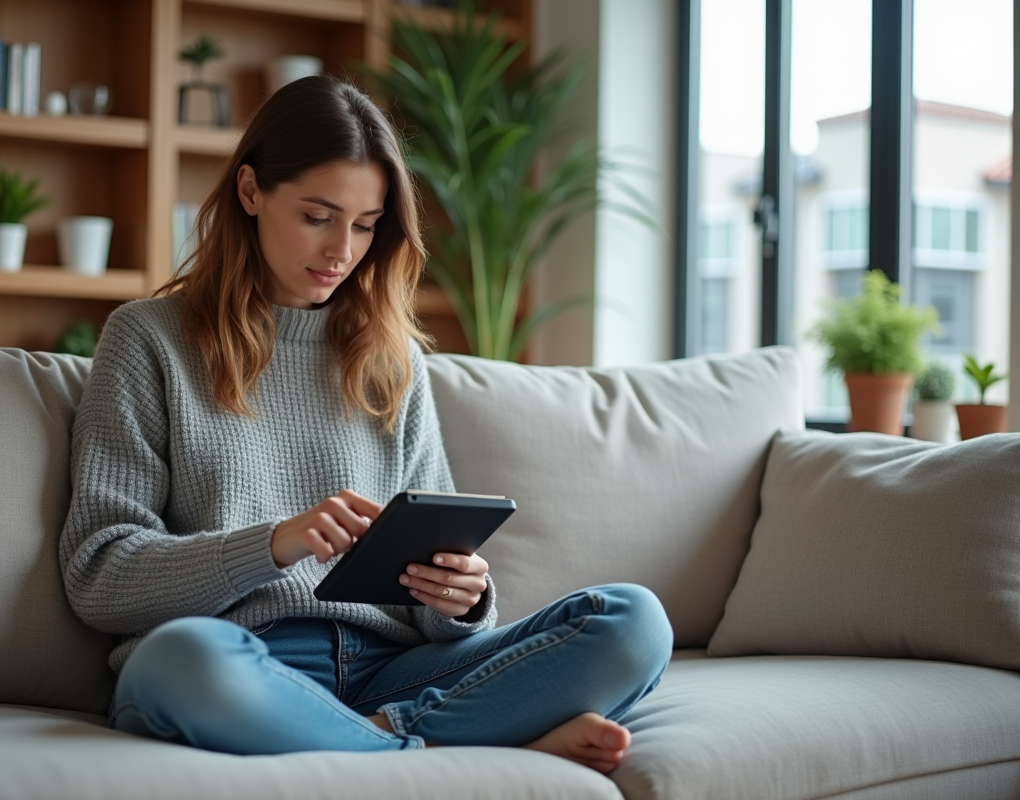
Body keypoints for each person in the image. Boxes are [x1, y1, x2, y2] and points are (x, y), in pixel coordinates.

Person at [60, 75, 673, 774]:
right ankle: (441, 745)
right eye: (318, 216)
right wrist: (272, 545)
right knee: (181, 658)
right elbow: (99, 575)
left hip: (392, 670)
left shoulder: (393, 360)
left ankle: (386, 737)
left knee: (631, 621)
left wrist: (462, 599)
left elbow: (433, 604)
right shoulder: (147, 340)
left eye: (365, 224)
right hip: (242, 665)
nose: (341, 251)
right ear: (252, 192)